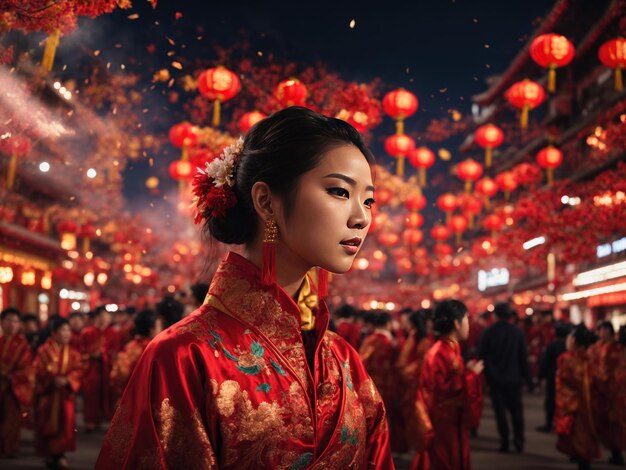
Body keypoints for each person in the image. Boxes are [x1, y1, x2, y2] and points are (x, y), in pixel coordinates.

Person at [96, 107, 393, 468]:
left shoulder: (345, 361)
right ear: (266, 201)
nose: (362, 217)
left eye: (368, 200)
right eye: (339, 191)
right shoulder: (184, 357)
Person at [411, 299, 484, 470]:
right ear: (456, 324)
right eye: (466, 319)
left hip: (453, 422)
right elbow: (441, 389)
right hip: (443, 424)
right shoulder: (439, 352)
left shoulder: (450, 349)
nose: (469, 324)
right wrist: (471, 375)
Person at [478, 301, 532, 453]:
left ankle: (505, 441)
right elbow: (523, 358)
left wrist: (484, 378)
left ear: (495, 315)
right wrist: (528, 380)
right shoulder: (517, 332)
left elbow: (481, 356)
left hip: (495, 379)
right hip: (514, 378)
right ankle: (519, 439)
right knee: (516, 411)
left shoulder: (488, 332)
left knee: (500, 412)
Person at [33, 316, 82, 470]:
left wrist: (68, 380)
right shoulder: (44, 351)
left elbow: (78, 370)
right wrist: (51, 379)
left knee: (65, 425)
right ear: (53, 333)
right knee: (48, 424)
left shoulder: (73, 352)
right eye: (63, 330)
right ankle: (50, 454)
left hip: (65, 395)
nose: (67, 334)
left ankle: (60, 455)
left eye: (68, 330)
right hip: (49, 395)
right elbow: (36, 370)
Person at [555, 324, 599, 470]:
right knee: (586, 434)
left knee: (576, 434)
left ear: (574, 341)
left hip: (574, 403)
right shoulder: (591, 358)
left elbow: (562, 383)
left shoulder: (567, 359)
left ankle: (582, 461)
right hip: (589, 403)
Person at [588, 321, 626, 465]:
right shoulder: (597, 347)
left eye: (603, 330)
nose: (600, 333)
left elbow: (618, 372)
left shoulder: (616, 349)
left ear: (609, 331)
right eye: (599, 330)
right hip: (600, 391)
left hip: (613, 393)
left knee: (615, 423)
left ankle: (616, 453)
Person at [110, 309, 162, 408]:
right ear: (151, 329)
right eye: (159, 326)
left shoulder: (130, 347)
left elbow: (117, 375)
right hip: (153, 400)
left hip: (131, 400)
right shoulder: (156, 348)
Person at [396, 309, 433, 448]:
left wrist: (405, 372)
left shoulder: (419, 338)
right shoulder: (422, 338)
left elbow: (405, 362)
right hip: (417, 381)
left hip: (416, 383)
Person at [0, 307, 33, 458]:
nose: (12, 324)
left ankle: (9, 448)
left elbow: (26, 368)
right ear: (2, 322)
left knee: (11, 419)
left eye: (15, 321)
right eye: (9, 321)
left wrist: (9, 376)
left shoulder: (23, 345)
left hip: (13, 388)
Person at [79, 306, 115, 431]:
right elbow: (80, 353)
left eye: (107, 316)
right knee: (91, 395)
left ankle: (106, 418)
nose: (105, 319)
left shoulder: (114, 333)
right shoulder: (87, 333)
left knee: (108, 394)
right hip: (91, 369)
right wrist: (91, 355)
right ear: (97, 317)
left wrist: (106, 355)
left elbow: (117, 351)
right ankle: (91, 421)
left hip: (108, 369)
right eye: (102, 316)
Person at [537, 322, 570, 433]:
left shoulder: (552, 345)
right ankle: (564, 424)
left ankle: (549, 423)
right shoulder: (568, 346)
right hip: (567, 379)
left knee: (551, 401)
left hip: (553, 377)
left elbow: (545, 362)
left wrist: (541, 375)